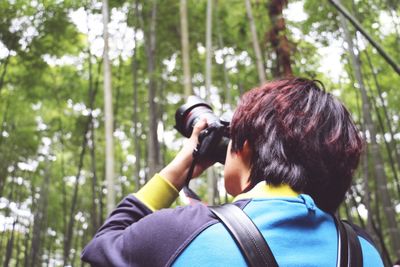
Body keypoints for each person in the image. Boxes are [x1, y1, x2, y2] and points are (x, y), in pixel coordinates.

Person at [81, 78, 383, 266]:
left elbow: (100, 248)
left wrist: (177, 170)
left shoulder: (178, 233)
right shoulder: (364, 251)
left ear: (247, 147)